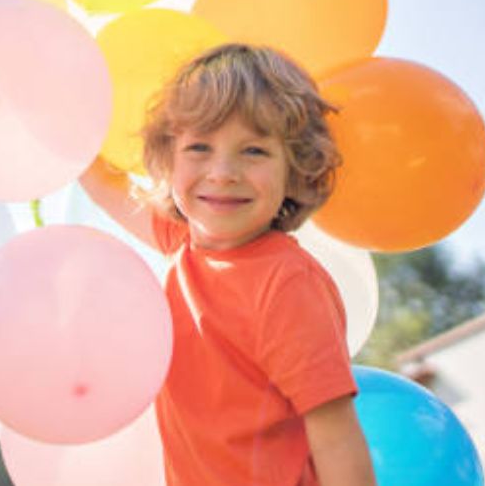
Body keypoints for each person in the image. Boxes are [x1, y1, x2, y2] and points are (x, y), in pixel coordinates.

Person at [80, 43, 376, 486]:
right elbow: (103, 183)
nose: (223, 172)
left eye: (254, 151)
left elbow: (334, 437)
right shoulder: (184, 245)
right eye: (199, 147)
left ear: (294, 170)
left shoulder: (286, 282)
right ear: (167, 159)